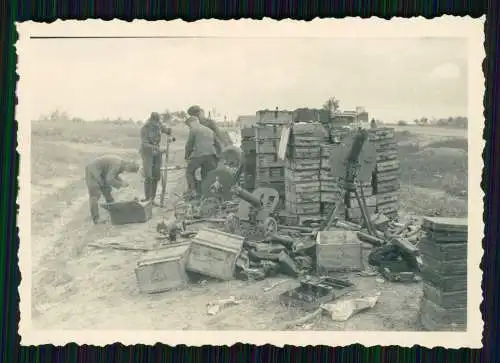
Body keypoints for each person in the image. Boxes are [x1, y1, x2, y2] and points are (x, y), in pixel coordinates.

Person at [85, 155, 139, 224]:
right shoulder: (117, 164)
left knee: (107, 191)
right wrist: (120, 184)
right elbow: (109, 179)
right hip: (92, 171)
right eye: (128, 170)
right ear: (128, 165)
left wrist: (122, 181)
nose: (126, 171)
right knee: (95, 194)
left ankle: (113, 213)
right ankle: (96, 219)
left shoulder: (121, 164)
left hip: (101, 173)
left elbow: (113, 175)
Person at [140, 112, 172, 205]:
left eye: (158, 123)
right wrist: (158, 149)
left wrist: (169, 133)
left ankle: (152, 199)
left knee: (156, 176)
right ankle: (147, 198)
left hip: (157, 153)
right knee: (148, 176)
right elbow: (144, 144)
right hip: (147, 153)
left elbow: (168, 131)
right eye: (155, 123)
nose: (158, 125)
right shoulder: (145, 128)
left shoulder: (159, 125)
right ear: (151, 121)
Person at [184, 116, 220, 197]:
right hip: (211, 155)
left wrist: (187, 156)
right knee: (206, 174)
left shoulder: (194, 130)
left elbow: (189, 145)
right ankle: (207, 193)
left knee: (189, 172)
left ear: (192, 122)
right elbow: (218, 144)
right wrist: (217, 156)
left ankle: (192, 190)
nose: (189, 127)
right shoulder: (209, 130)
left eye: (189, 125)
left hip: (199, 155)